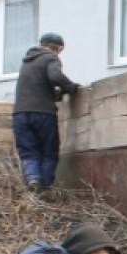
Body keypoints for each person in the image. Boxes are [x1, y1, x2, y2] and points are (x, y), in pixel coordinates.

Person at [13, 32, 80, 191]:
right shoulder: (50, 57)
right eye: (60, 50)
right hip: (42, 114)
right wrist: (71, 87)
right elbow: (55, 76)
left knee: (28, 152)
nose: (59, 53)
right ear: (56, 47)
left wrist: (55, 94)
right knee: (49, 151)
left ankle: (33, 180)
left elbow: (37, 87)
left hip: (20, 114)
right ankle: (45, 188)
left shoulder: (27, 62)